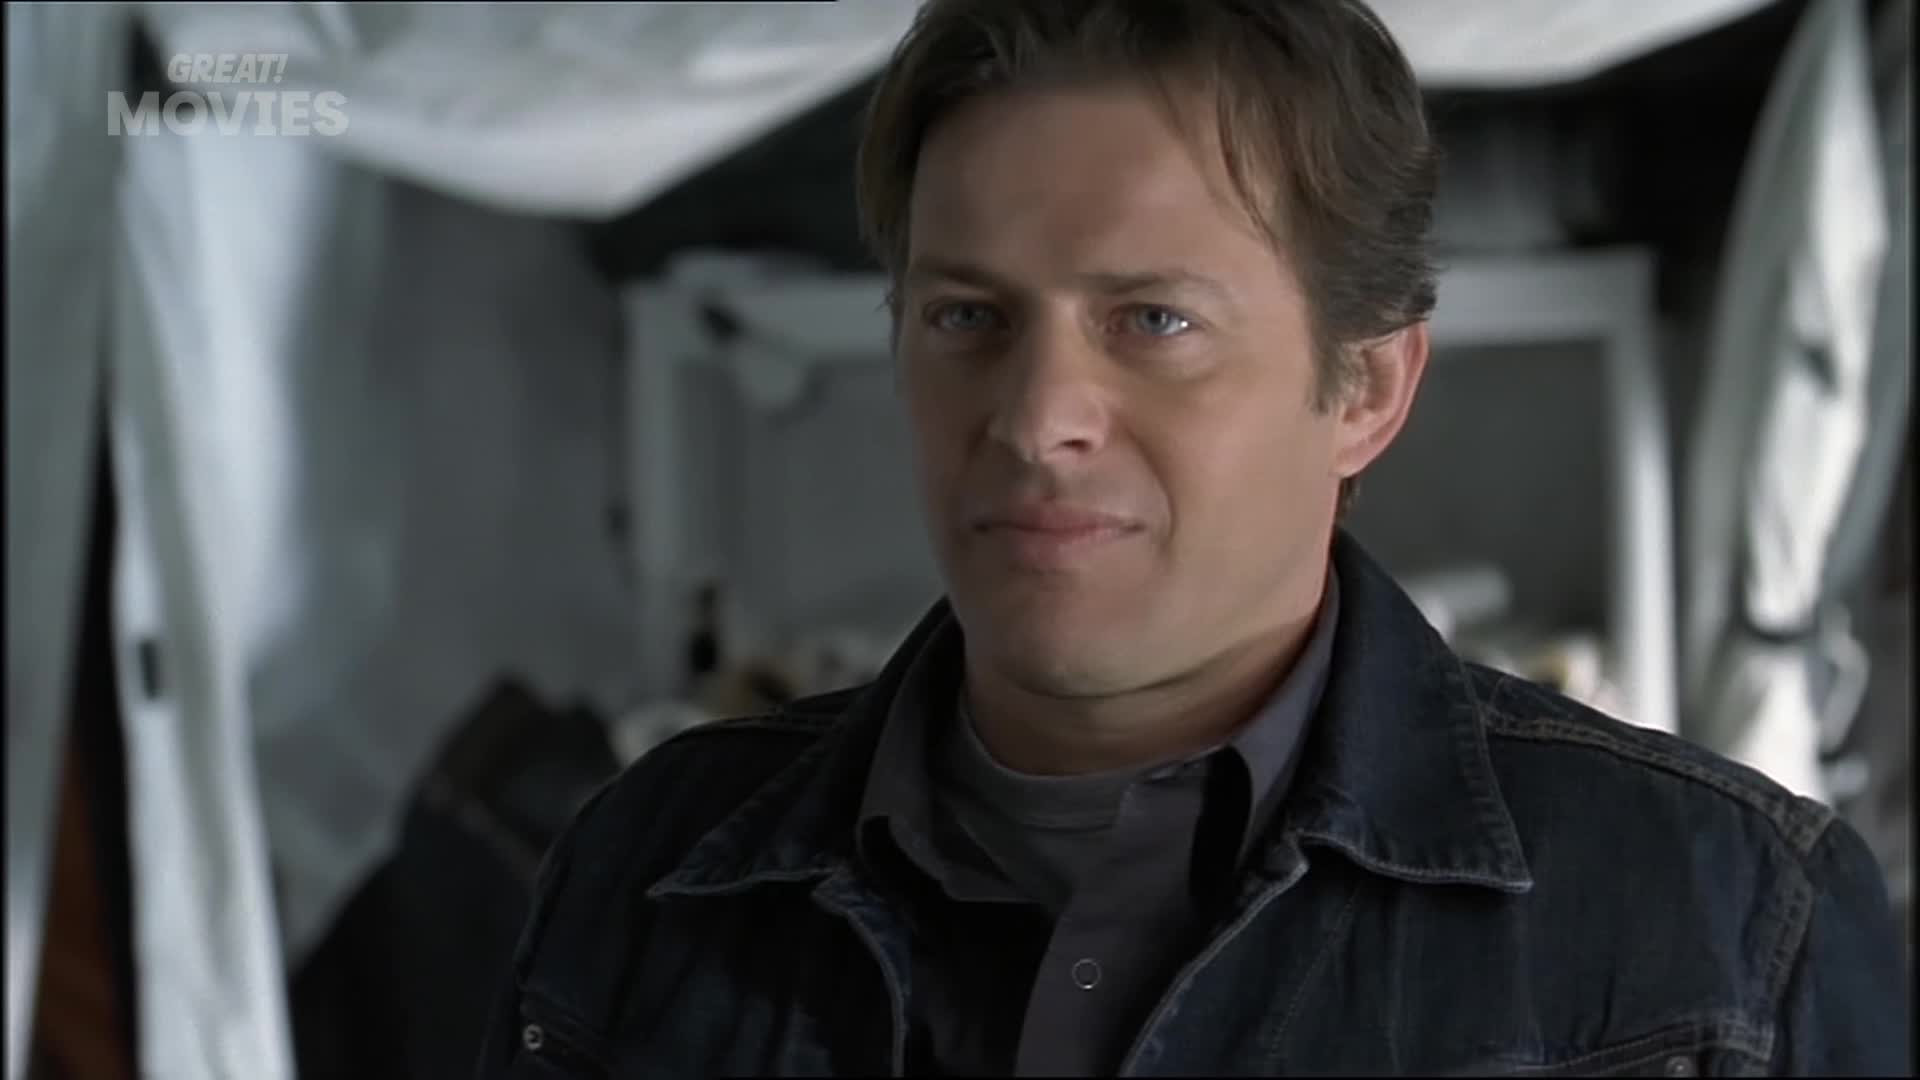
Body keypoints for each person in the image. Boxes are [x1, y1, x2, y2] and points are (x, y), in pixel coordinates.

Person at [475, 1, 1912, 1075]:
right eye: (968, 317)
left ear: (1365, 388)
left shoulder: (1725, 928)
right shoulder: (649, 868)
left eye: (1153, 320)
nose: (1036, 418)